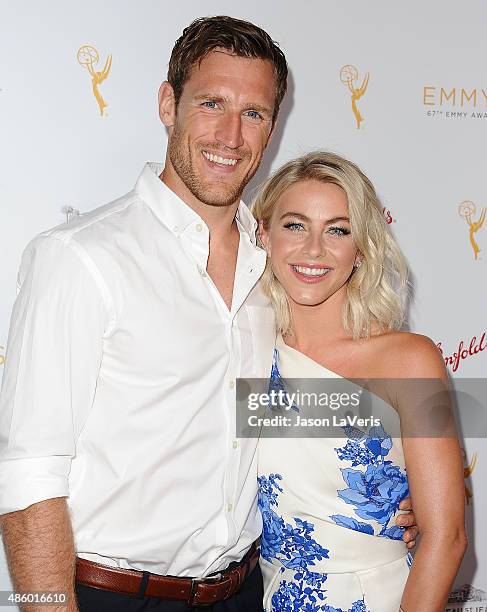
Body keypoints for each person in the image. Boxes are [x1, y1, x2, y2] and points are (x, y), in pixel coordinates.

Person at [0, 17, 417, 612]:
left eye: (254, 114)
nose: (231, 134)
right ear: (168, 104)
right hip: (108, 594)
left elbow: (328, 394)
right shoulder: (81, 258)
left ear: (273, 126)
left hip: (249, 591)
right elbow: (30, 472)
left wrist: (411, 491)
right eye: (212, 103)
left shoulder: (284, 262)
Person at [251, 151, 467, 611]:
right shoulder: (244, 349)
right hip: (266, 595)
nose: (313, 249)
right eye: (294, 225)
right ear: (263, 235)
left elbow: (445, 537)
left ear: (362, 247)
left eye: (337, 230)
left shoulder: (407, 360)